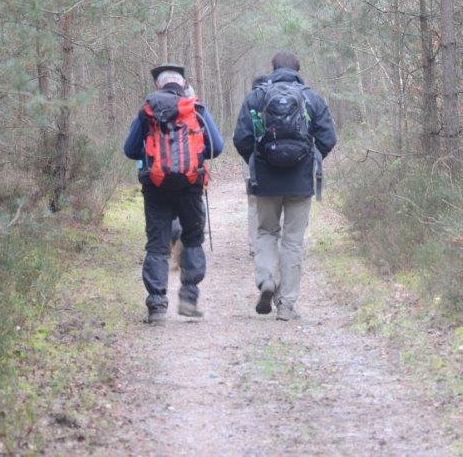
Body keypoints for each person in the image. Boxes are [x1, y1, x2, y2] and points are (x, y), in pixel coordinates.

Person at [233, 51, 337, 321]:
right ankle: (286, 306)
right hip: (300, 182)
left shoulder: (257, 96)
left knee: (267, 232)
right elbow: (328, 137)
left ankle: (267, 279)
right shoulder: (311, 97)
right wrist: (310, 158)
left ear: (272, 68)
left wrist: (257, 160)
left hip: (266, 181)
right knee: (292, 242)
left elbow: (241, 137)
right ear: (298, 70)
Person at [124, 64, 223, 325]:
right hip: (190, 186)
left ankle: (157, 306)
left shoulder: (148, 111)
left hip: (155, 188)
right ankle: (189, 299)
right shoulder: (196, 108)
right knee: (192, 240)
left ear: (159, 85)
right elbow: (218, 147)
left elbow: (130, 150)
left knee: (157, 245)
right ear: (183, 83)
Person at [244, 75, 267, 257]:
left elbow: (240, 137)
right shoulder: (275, 102)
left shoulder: (249, 103)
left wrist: (249, 158)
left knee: (253, 205)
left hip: (252, 167)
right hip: (275, 166)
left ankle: (254, 246)